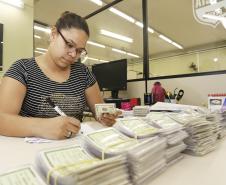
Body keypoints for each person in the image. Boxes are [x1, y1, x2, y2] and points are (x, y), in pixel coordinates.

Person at [0, 11, 120, 140]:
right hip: (30, 151)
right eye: (69, 45)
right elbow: (2, 120)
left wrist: (106, 118)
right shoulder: (22, 69)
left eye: (79, 51)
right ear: (53, 34)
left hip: (74, 148)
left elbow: (99, 113)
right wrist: (42, 126)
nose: (74, 55)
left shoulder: (83, 73)